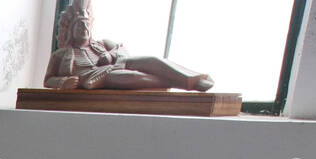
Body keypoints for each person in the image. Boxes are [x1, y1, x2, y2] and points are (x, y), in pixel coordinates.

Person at [45, 0, 214, 92]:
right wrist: (63, 82)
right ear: (71, 29)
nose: (85, 29)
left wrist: (110, 55)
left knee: (151, 60)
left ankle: (194, 78)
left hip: (116, 64)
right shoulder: (61, 54)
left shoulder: (101, 44)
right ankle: (184, 84)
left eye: (87, 25)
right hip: (94, 77)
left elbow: (123, 50)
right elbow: (48, 80)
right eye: (80, 25)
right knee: (132, 77)